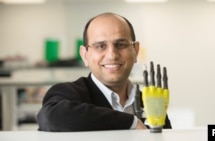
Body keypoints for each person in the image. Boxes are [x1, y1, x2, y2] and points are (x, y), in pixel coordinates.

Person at [37, 12, 172, 132]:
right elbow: (51, 117)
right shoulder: (69, 93)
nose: (112, 55)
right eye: (100, 46)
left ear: (135, 51)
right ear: (85, 55)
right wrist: (131, 122)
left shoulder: (150, 105)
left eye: (121, 44)